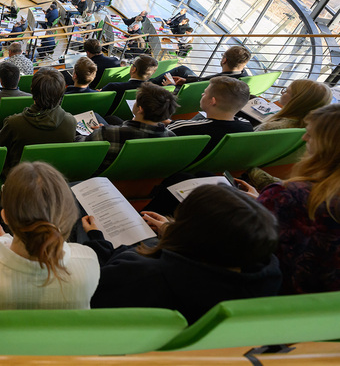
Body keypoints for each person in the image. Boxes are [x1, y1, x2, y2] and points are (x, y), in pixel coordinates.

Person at [86, 184, 280, 324]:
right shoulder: (267, 276)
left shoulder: (142, 273)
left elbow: (92, 285)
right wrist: (172, 231)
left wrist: (96, 241)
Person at [0, 162, 99, 334]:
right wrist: (4, 240)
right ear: (68, 216)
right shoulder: (89, 260)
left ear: (4, 216)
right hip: (58, 354)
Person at [240, 104, 340, 295]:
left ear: (327, 144)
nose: (304, 138)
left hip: (272, 288)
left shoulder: (288, 194)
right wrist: (263, 200)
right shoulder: (288, 194)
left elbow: (244, 241)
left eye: (310, 135)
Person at [0, 69, 76, 172]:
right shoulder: (71, 122)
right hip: (53, 173)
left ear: (32, 90)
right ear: (61, 92)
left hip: (18, 175)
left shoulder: (14, 123)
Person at [85, 83, 179, 173]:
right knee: (112, 119)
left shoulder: (107, 133)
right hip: (140, 182)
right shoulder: (172, 138)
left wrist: (99, 132)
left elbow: (80, 145)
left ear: (140, 109)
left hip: (102, 178)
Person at [168, 76, 253, 155]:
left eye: (205, 93)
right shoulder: (247, 126)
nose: (202, 94)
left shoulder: (183, 128)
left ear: (212, 101)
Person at [256, 80, 332, 134]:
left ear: (295, 100)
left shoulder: (271, 127)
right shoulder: (312, 131)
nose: (282, 93)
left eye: (286, 91)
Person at [156, 45, 252, 87]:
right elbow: (201, 81)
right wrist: (186, 80)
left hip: (194, 92)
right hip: (200, 85)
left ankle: (145, 84)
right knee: (183, 70)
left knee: (180, 69)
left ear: (224, 60)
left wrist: (171, 86)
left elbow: (201, 85)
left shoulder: (217, 81)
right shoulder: (244, 77)